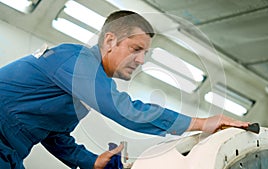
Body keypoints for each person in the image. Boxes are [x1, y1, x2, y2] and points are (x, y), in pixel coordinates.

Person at [0, 10, 249, 169]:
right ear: (110, 41)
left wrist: (92, 162)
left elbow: (54, 135)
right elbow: (125, 109)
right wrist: (202, 123)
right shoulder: (75, 60)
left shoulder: (84, 88)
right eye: (135, 49)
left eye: (146, 53)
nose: (141, 60)